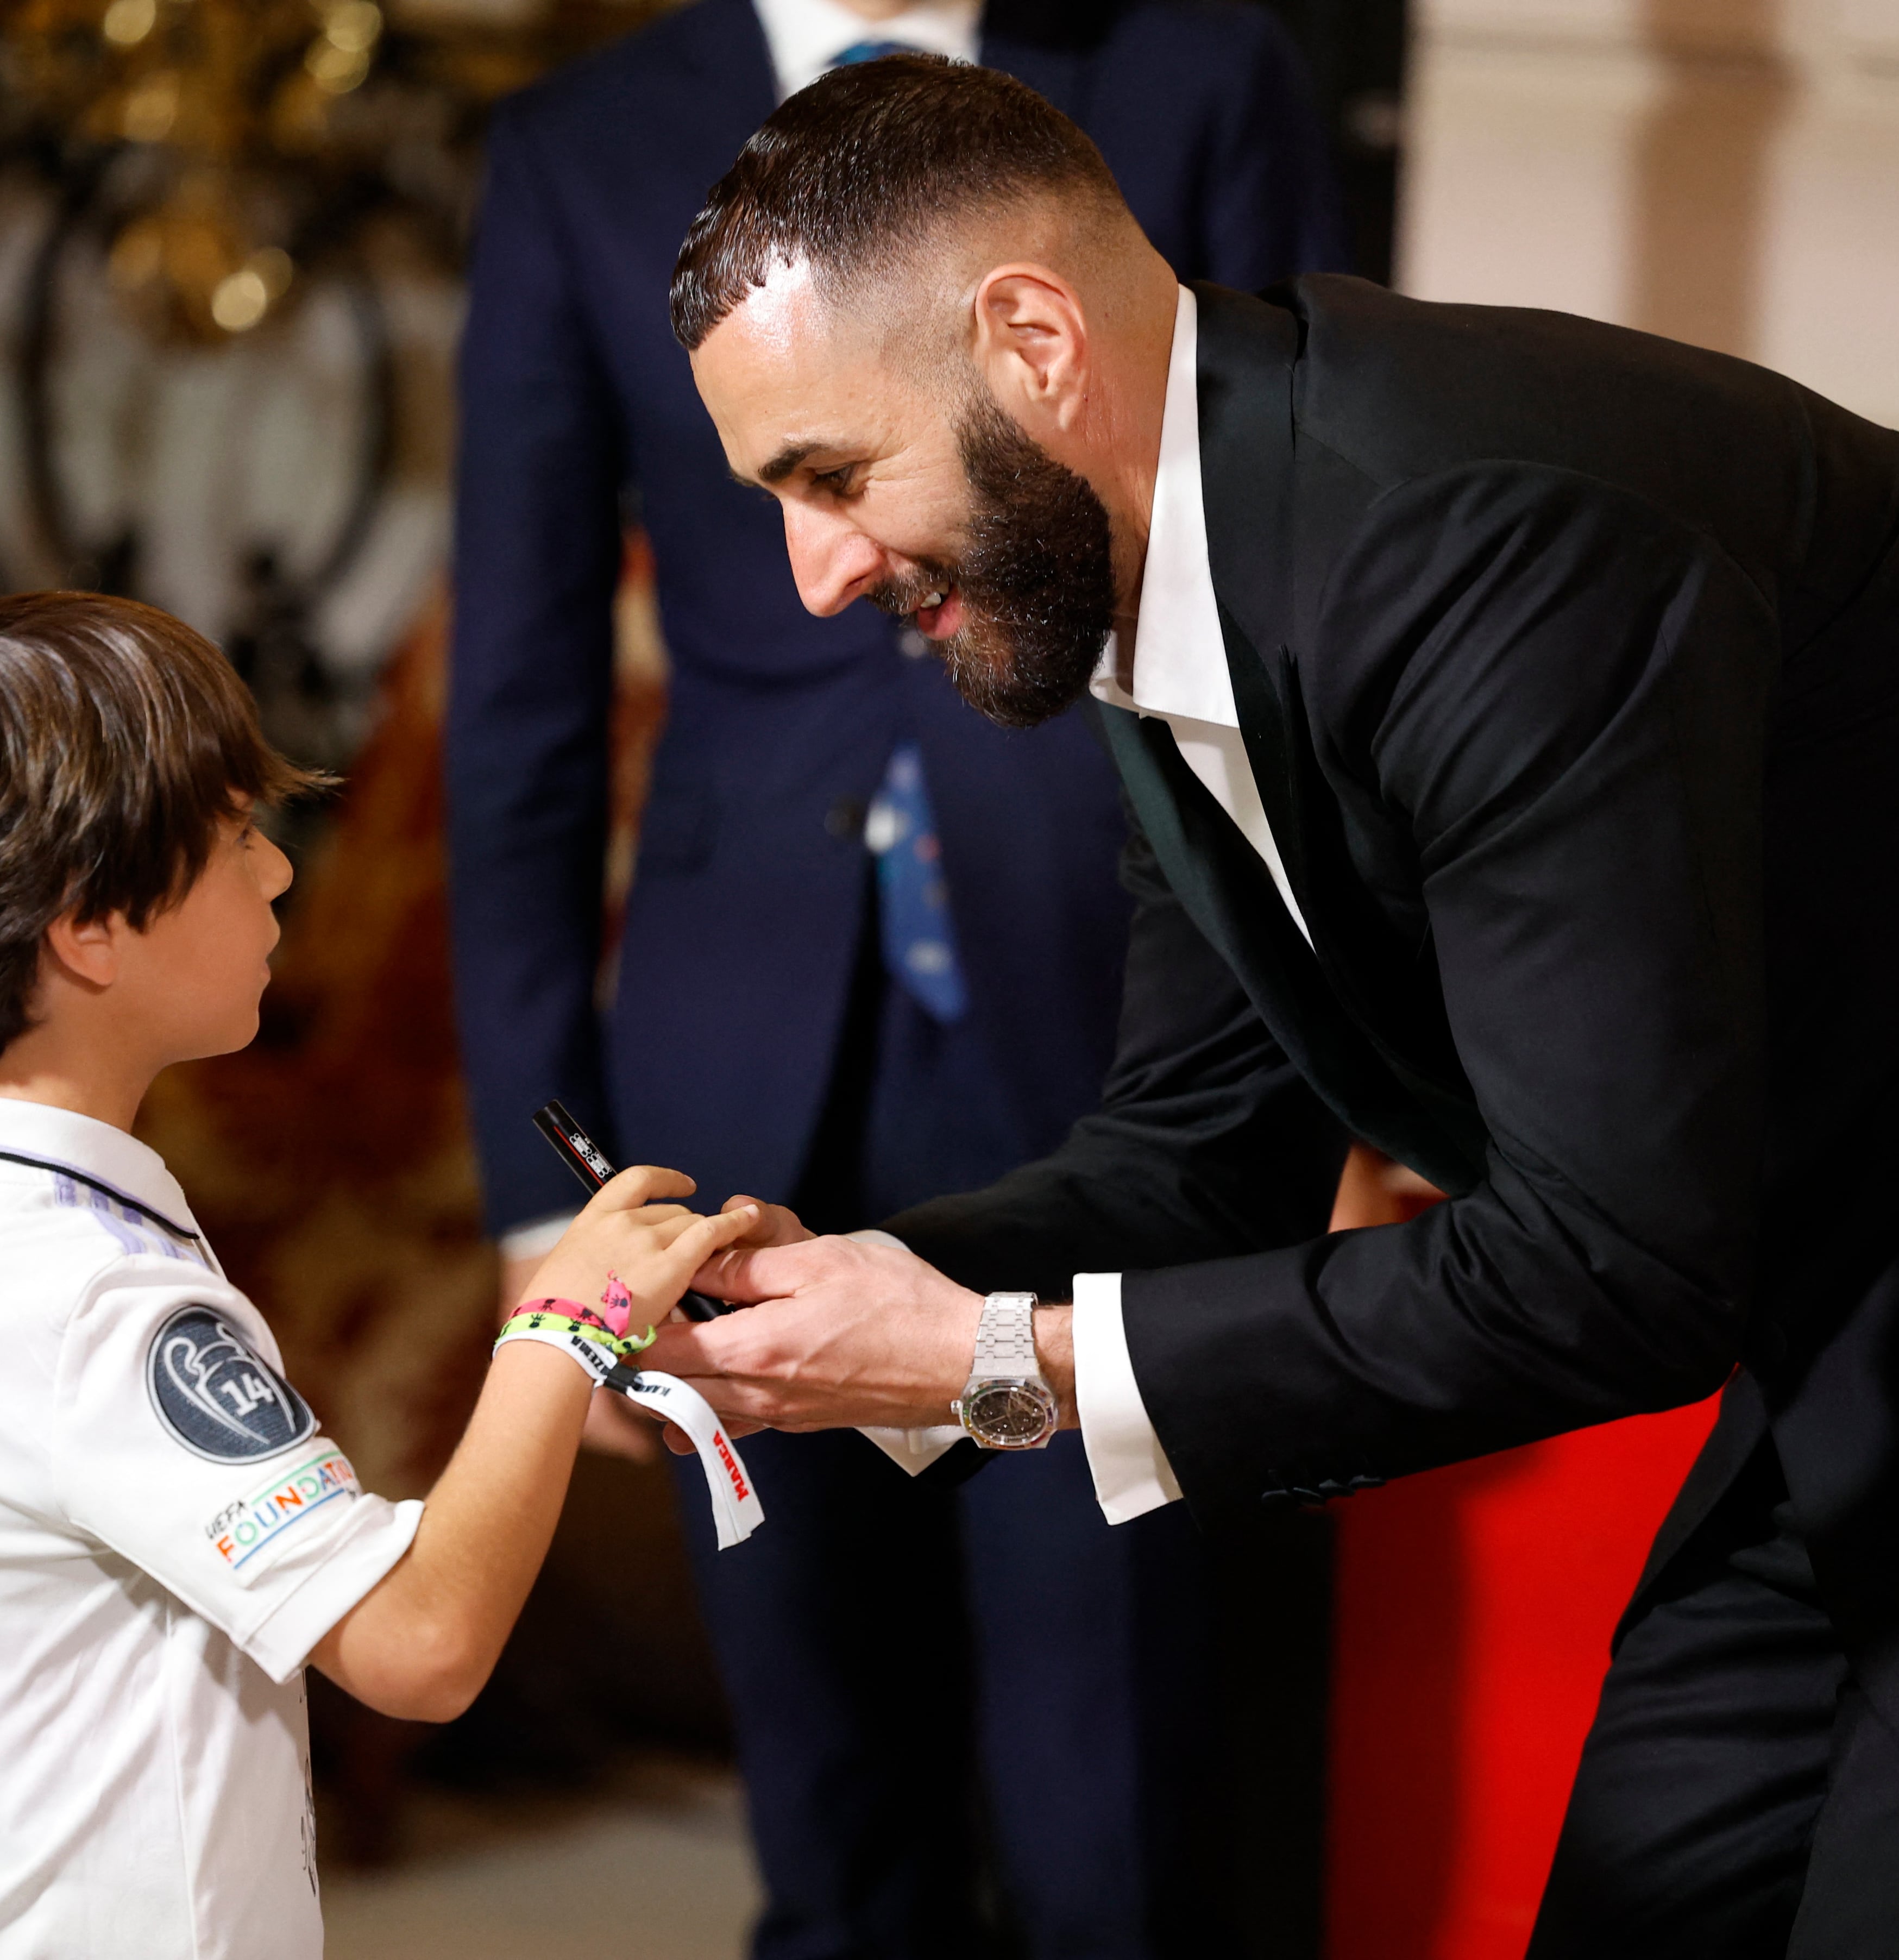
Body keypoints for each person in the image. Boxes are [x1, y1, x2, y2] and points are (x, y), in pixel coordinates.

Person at [649, 55, 1899, 1957]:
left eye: (831, 477)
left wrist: (1000, 1358)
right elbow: (1193, 1153)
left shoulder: (1479, 545)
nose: (812, 573)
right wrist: (830, 1284)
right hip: (1870, 1284)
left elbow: (1609, 1270)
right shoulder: (1154, 577)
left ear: (1031, 339)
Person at [447, 5, 1343, 1956]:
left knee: (1121, 1811)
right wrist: (538, 1185)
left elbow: (1291, 550)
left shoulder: (1200, 72)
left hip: (1133, 1022)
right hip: (739, 1052)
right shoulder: (575, 148)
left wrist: (1354, 1047)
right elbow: (513, 687)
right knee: (835, 1818)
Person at [0, 591, 759, 1959]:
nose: (282, 873)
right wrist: (563, 1324)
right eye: (238, 839)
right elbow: (419, 1645)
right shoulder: (98, 1302)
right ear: (89, 928)